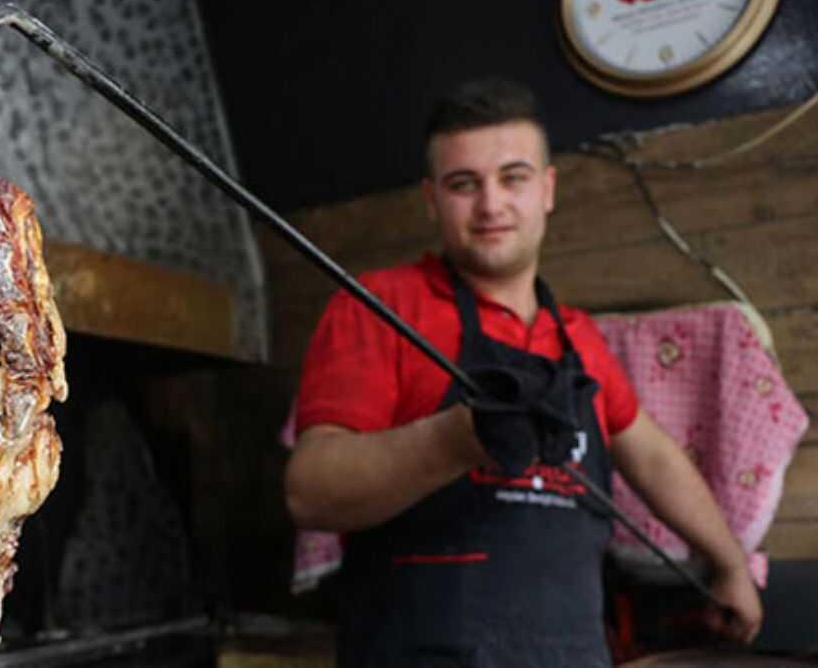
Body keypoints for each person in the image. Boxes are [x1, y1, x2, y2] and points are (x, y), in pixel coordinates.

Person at [283, 77, 762, 667]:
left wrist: (730, 563)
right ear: (431, 197)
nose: (491, 205)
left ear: (547, 189)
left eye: (513, 178)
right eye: (464, 185)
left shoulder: (578, 337)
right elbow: (310, 491)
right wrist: (455, 440)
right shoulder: (379, 306)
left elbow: (654, 457)